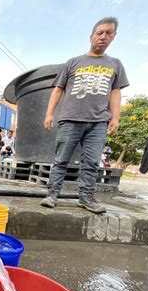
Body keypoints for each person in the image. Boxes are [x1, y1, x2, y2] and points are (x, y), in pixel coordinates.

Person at [41, 17, 129, 213]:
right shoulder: (74, 62)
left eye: (108, 33)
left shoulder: (115, 64)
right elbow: (58, 89)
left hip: (98, 122)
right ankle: (52, 193)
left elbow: (115, 92)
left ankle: (86, 197)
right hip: (70, 119)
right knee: (61, 159)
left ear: (114, 37)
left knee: (91, 162)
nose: (103, 37)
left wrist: (115, 117)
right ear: (91, 36)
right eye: (100, 33)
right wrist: (49, 114)